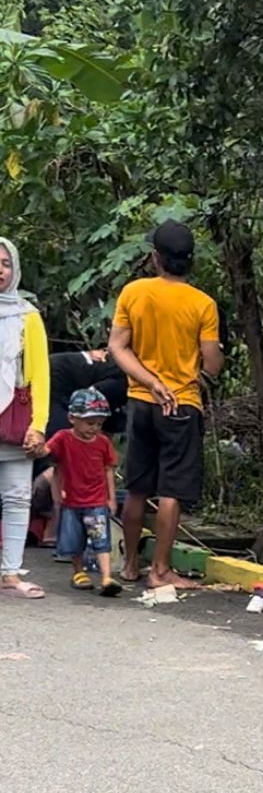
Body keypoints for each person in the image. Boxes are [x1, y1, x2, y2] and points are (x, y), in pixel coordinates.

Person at [107, 220, 223, 589]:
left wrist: (150, 381)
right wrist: (215, 355)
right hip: (182, 404)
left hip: (141, 401)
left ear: (155, 258)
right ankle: (159, 571)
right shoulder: (202, 304)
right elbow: (211, 363)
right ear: (191, 261)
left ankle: (128, 565)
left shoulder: (134, 292)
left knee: (139, 486)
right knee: (171, 489)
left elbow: (117, 347)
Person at [36, 347, 127, 546]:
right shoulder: (124, 380)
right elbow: (93, 404)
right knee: (66, 460)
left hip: (47, 378)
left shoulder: (114, 361)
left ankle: (48, 520)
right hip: (56, 387)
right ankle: (54, 526)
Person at [0, 236, 50, 599]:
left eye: (4, 263)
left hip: (13, 422)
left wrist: (39, 425)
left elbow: (40, 374)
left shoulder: (27, 315)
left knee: (18, 498)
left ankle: (11, 574)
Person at [35, 387, 121, 596]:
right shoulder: (63, 438)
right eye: (90, 423)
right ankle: (78, 571)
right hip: (72, 501)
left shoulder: (103, 442)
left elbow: (108, 470)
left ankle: (106, 576)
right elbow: (47, 451)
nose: (94, 428)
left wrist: (111, 497)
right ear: (73, 418)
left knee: (101, 539)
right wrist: (36, 444)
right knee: (74, 539)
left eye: (99, 424)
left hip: (97, 500)